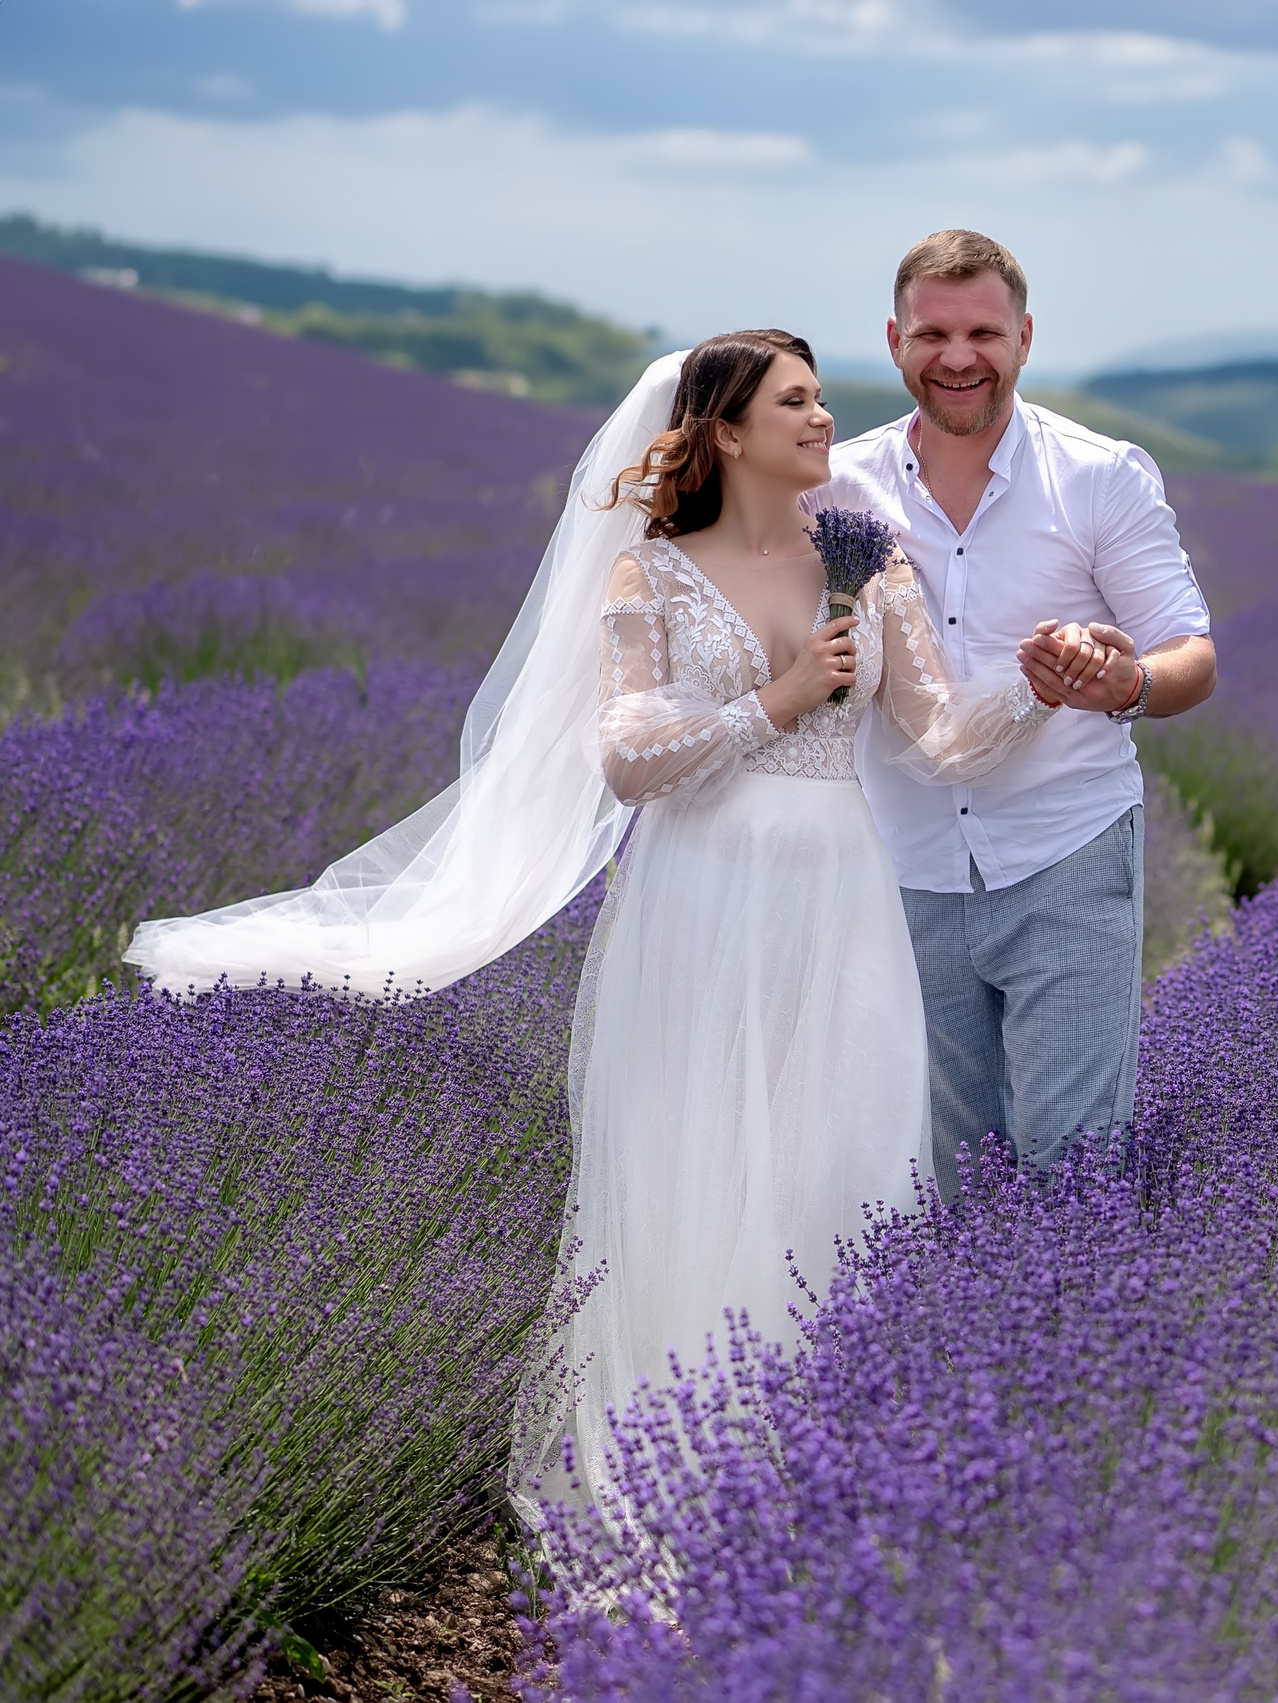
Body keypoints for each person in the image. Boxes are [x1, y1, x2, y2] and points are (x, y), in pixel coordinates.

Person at [125, 329, 1088, 1507]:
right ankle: (668, 1466)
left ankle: (802, 1479)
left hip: (841, 900)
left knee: (837, 1154)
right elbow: (630, 759)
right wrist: (779, 697)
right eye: (795, 400)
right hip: (701, 898)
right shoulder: (652, 573)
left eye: (822, 396)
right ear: (726, 431)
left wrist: (1041, 688)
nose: (825, 417)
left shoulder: (869, 558)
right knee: (696, 1159)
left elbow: (938, 738)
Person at [802, 229, 1218, 1202]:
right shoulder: (837, 486)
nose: (957, 357)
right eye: (933, 333)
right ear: (895, 339)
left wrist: (1127, 684)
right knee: (945, 1173)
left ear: (1024, 338)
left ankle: (1082, 1350)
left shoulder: (1098, 476)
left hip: (1062, 854)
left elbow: (1191, 654)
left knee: (1072, 1168)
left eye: (982, 331)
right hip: (902, 863)